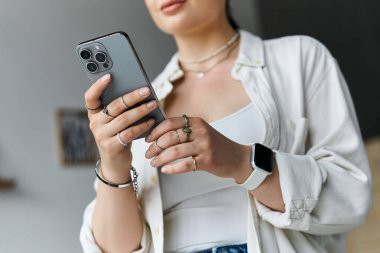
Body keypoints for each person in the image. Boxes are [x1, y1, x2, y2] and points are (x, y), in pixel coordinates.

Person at [80, 0, 372, 252]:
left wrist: (241, 161)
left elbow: (350, 197)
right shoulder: (139, 106)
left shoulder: (300, 58)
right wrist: (113, 165)